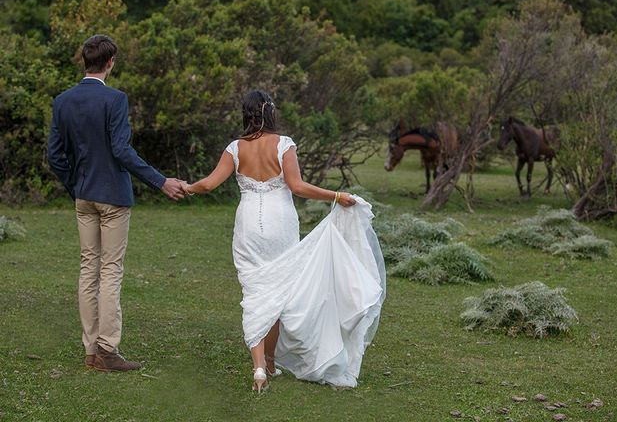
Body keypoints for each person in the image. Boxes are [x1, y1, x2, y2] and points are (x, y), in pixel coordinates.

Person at [184, 90, 385, 392]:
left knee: (255, 291)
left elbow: (209, 183)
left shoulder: (235, 148)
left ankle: (261, 368)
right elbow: (297, 186)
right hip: (281, 224)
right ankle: (270, 362)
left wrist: (185, 187)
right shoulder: (284, 144)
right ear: (269, 112)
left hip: (248, 223)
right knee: (278, 290)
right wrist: (337, 195)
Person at [47, 34, 186, 372]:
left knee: (87, 271)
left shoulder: (63, 101)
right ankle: (108, 350)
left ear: (84, 61)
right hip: (112, 198)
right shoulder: (116, 99)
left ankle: (91, 352)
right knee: (109, 271)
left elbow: (55, 156)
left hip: (84, 196)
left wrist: (76, 185)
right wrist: (161, 181)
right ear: (110, 63)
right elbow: (121, 150)